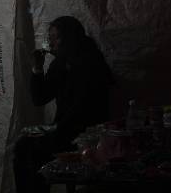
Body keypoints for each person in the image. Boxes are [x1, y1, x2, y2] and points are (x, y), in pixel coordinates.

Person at [14, 16, 113, 192]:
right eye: (50, 39)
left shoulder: (91, 62)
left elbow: (84, 110)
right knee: (23, 146)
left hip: (89, 135)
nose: (51, 44)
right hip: (64, 130)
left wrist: (55, 130)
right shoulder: (60, 64)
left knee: (32, 149)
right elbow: (40, 98)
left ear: (71, 38)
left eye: (56, 38)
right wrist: (37, 68)